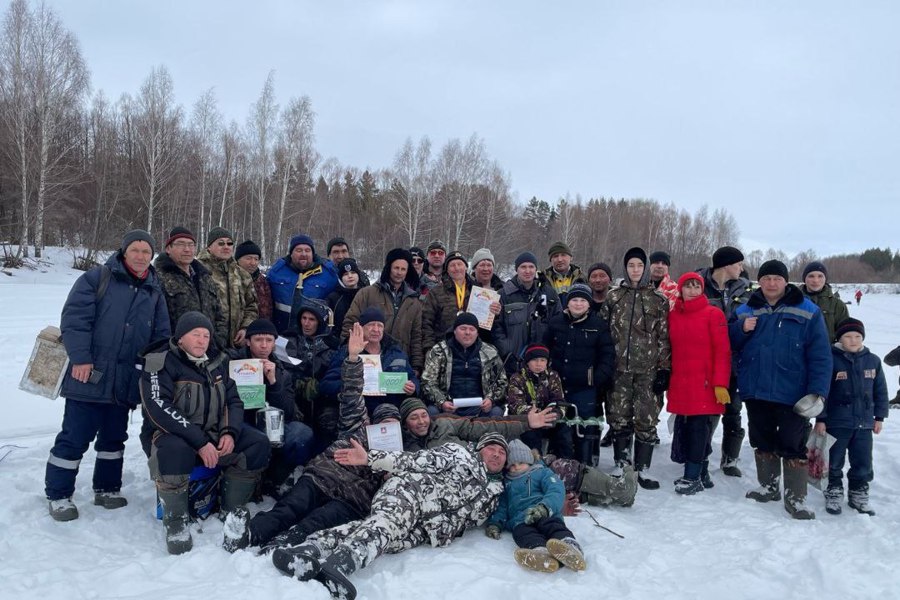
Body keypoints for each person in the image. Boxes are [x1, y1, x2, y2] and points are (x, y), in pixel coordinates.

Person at [223, 324, 403, 553]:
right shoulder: (357, 426)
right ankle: (251, 533)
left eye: (392, 423)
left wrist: (385, 471)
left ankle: (284, 543)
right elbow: (351, 393)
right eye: (382, 422)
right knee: (289, 507)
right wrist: (354, 357)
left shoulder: (400, 457)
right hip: (322, 476)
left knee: (315, 523)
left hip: (351, 497)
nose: (386, 427)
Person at [271, 433, 511, 599]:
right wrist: (370, 458)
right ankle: (341, 563)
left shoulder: (495, 493)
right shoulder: (459, 454)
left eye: (502, 452)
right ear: (480, 448)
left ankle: (308, 550)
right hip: (409, 493)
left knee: (379, 536)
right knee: (384, 528)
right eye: (492, 448)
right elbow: (413, 459)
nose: (497, 454)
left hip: (428, 528)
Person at [45, 230, 171, 522]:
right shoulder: (96, 278)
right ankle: (59, 494)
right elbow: (75, 320)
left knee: (114, 438)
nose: (141, 256)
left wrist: (148, 367)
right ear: (124, 251)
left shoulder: (154, 289)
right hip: (89, 374)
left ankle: (107, 489)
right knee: (75, 437)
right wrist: (81, 358)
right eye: (135, 250)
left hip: (127, 379)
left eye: (146, 251)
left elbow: (161, 335)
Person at [141, 312, 270, 554]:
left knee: (257, 443)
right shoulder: (160, 362)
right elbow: (158, 407)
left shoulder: (216, 362)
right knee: (174, 450)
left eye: (206, 336)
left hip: (212, 434)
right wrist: (199, 442)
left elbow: (233, 400)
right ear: (180, 338)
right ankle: (176, 520)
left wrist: (229, 433)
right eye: (196, 335)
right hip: (171, 435)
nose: (202, 341)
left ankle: (231, 508)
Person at [730, 259, 832, 520]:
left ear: (786, 282)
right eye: (766, 279)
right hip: (756, 388)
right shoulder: (745, 310)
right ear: (759, 282)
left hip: (793, 393)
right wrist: (740, 329)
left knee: (793, 443)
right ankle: (768, 486)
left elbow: (820, 355)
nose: (771, 283)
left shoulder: (807, 310)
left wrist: (818, 391)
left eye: (777, 279)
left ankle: (795, 498)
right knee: (761, 438)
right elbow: (729, 342)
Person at [399, 397, 635, 508]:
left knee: (549, 465)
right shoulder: (408, 450)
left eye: (423, 415)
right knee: (537, 482)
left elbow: (488, 426)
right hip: (474, 484)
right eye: (413, 418)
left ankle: (614, 489)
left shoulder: (444, 423)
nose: (421, 421)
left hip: (495, 462)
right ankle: (605, 494)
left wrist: (526, 422)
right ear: (405, 423)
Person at [601, 247, 671, 490]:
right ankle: (622, 463)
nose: (635, 270)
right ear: (625, 268)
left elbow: (664, 337)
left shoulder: (658, 300)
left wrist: (664, 369)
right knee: (619, 417)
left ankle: (643, 468)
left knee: (646, 418)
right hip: (618, 369)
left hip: (647, 371)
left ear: (646, 269)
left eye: (639, 266)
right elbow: (603, 334)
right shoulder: (613, 297)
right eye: (631, 265)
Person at [229, 318, 316, 491]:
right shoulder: (232, 362)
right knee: (257, 438)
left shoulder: (281, 370)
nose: (264, 346)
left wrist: (273, 382)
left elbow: (289, 412)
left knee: (302, 434)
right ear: (248, 341)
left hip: (270, 424)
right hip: (240, 422)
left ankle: (276, 477)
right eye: (258, 340)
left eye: (269, 340)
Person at [666, 273, 731, 494]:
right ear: (681, 289)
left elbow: (723, 352)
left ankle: (692, 476)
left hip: (705, 384)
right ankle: (701, 470)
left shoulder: (714, 314)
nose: (692, 291)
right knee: (685, 427)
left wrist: (720, 383)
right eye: (688, 286)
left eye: (696, 287)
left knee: (698, 429)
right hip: (681, 382)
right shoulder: (674, 315)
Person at [815, 318, 887, 516]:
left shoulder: (873, 360)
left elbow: (880, 391)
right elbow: (823, 392)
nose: (853, 340)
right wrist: (821, 418)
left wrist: (879, 416)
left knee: (863, 461)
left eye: (857, 336)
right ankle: (834, 491)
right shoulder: (831, 359)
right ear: (839, 339)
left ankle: (859, 492)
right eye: (848, 336)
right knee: (834, 460)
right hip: (837, 422)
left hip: (864, 423)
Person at [485, 439, 585, 573]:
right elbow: (502, 505)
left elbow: (555, 489)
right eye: (511, 465)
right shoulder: (507, 483)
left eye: (520, 463)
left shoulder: (542, 473)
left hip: (543, 512)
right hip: (520, 520)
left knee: (553, 526)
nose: (516, 467)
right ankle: (539, 552)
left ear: (529, 460)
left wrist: (545, 507)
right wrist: (495, 523)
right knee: (523, 534)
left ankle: (569, 547)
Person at [543, 283, 615, 464]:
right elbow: (545, 349)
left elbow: (607, 354)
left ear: (589, 304)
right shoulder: (556, 322)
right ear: (568, 303)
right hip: (559, 385)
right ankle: (560, 461)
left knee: (584, 425)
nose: (578, 304)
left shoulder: (598, 325)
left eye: (583, 300)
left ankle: (584, 464)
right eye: (574, 300)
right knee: (560, 423)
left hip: (585, 386)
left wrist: (596, 377)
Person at [697, 245, 753, 477]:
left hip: (736, 361)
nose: (741, 267)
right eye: (738, 263)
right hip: (707, 361)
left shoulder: (746, 290)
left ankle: (730, 459)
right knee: (706, 412)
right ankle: (700, 456)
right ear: (726, 265)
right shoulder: (698, 286)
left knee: (733, 409)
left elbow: (752, 323)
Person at [320, 307, 419, 415]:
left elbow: (412, 377)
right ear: (361, 328)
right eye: (371, 325)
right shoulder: (347, 353)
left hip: (393, 411)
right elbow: (326, 385)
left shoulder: (395, 352)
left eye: (380, 325)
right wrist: (354, 385)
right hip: (358, 412)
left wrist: (413, 387)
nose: (376, 329)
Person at [341, 248, 424, 373]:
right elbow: (350, 322)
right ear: (389, 268)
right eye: (396, 268)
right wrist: (349, 351)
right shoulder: (367, 293)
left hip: (398, 362)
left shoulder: (414, 302)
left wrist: (416, 366)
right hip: (367, 359)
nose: (399, 272)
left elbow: (416, 336)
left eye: (403, 269)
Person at [154, 226, 228, 349]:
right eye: (181, 244)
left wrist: (218, 342)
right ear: (168, 248)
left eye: (191, 245)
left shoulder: (205, 276)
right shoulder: (158, 277)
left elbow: (219, 315)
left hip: (208, 349)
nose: (187, 249)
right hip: (176, 351)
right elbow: (157, 321)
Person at [422, 313, 508, 417]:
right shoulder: (438, 351)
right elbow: (427, 381)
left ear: (477, 333)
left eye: (472, 329)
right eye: (463, 328)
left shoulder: (490, 352)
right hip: (449, 407)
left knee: (496, 412)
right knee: (431, 412)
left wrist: (490, 399)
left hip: (480, 408)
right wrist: (442, 402)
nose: (467, 333)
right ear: (454, 331)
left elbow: (502, 382)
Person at [493, 251, 561, 373]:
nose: (527, 271)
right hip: (513, 361)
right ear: (516, 269)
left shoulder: (549, 293)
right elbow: (497, 327)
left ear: (536, 269)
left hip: (541, 361)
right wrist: (507, 351)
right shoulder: (504, 294)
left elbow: (558, 324)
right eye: (523, 267)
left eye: (531, 267)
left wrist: (548, 352)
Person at [284, 299, 338, 443]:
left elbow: (335, 374)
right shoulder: (288, 339)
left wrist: (320, 386)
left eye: (312, 319)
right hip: (293, 396)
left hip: (322, 399)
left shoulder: (332, 345)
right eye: (304, 318)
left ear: (320, 322)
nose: (306, 323)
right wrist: (299, 383)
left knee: (330, 419)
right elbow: (282, 370)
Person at [198, 227, 259, 348]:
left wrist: (245, 328)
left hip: (235, 343)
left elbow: (252, 306)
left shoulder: (242, 274)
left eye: (229, 243)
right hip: (205, 342)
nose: (226, 246)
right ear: (209, 247)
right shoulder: (197, 270)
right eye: (220, 243)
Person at [268, 234, 339, 333]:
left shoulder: (328, 274)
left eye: (307, 250)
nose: (304, 254)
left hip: (313, 336)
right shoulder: (276, 272)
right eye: (299, 250)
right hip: (280, 333)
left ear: (313, 253)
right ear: (291, 253)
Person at [506, 344, 567, 456]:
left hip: (549, 419)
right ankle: (536, 463)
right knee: (531, 435)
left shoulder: (553, 376)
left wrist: (554, 415)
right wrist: (536, 416)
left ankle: (564, 463)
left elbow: (559, 401)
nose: (539, 364)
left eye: (542, 360)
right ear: (527, 361)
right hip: (526, 420)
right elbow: (516, 405)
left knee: (564, 431)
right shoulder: (517, 377)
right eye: (534, 360)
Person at [422, 250, 476, 354]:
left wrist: (493, 313)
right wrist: (430, 350)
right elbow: (426, 324)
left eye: (459, 264)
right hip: (443, 350)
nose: (456, 268)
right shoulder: (436, 292)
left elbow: (485, 324)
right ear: (447, 269)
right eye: (452, 265)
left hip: (471, 351)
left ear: (466, 267)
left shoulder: (477, 291)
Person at [799, 260, 849, 342]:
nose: (815, 280)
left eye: (820, 276)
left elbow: (845, 334)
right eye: (811, 276)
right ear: (805, 279)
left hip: (828, 352)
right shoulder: (793, 301)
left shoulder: (837, 305)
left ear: (825, 279)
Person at [326, 258, 364, 342]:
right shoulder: (333, 298)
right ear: (340, 278)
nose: (350, 276)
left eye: (353, 273)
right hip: (339, 343)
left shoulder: (365, 295)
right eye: (345, 274)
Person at [235, 239, 273, 320]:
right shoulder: (231, 279)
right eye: (248, 258)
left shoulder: (262, 280)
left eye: (256, 259)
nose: (253, 263)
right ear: (238, 259)